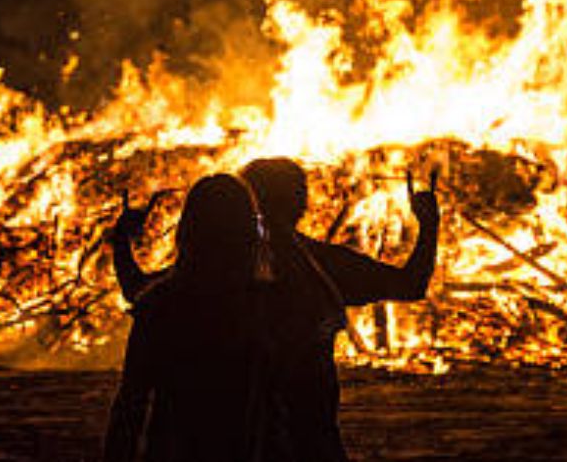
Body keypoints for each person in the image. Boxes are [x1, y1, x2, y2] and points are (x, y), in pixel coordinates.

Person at [113, 158, 440, 462]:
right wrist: (428, 225)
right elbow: (410, 285)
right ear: (300, 205)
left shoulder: (177, 293)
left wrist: (122, 241)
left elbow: (136, 297)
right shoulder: (317, 272)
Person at [103, 173, 279, 462]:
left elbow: (130, 405)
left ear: (188, 229)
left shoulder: (163, 304)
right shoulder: (265, 304)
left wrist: (122, 238)